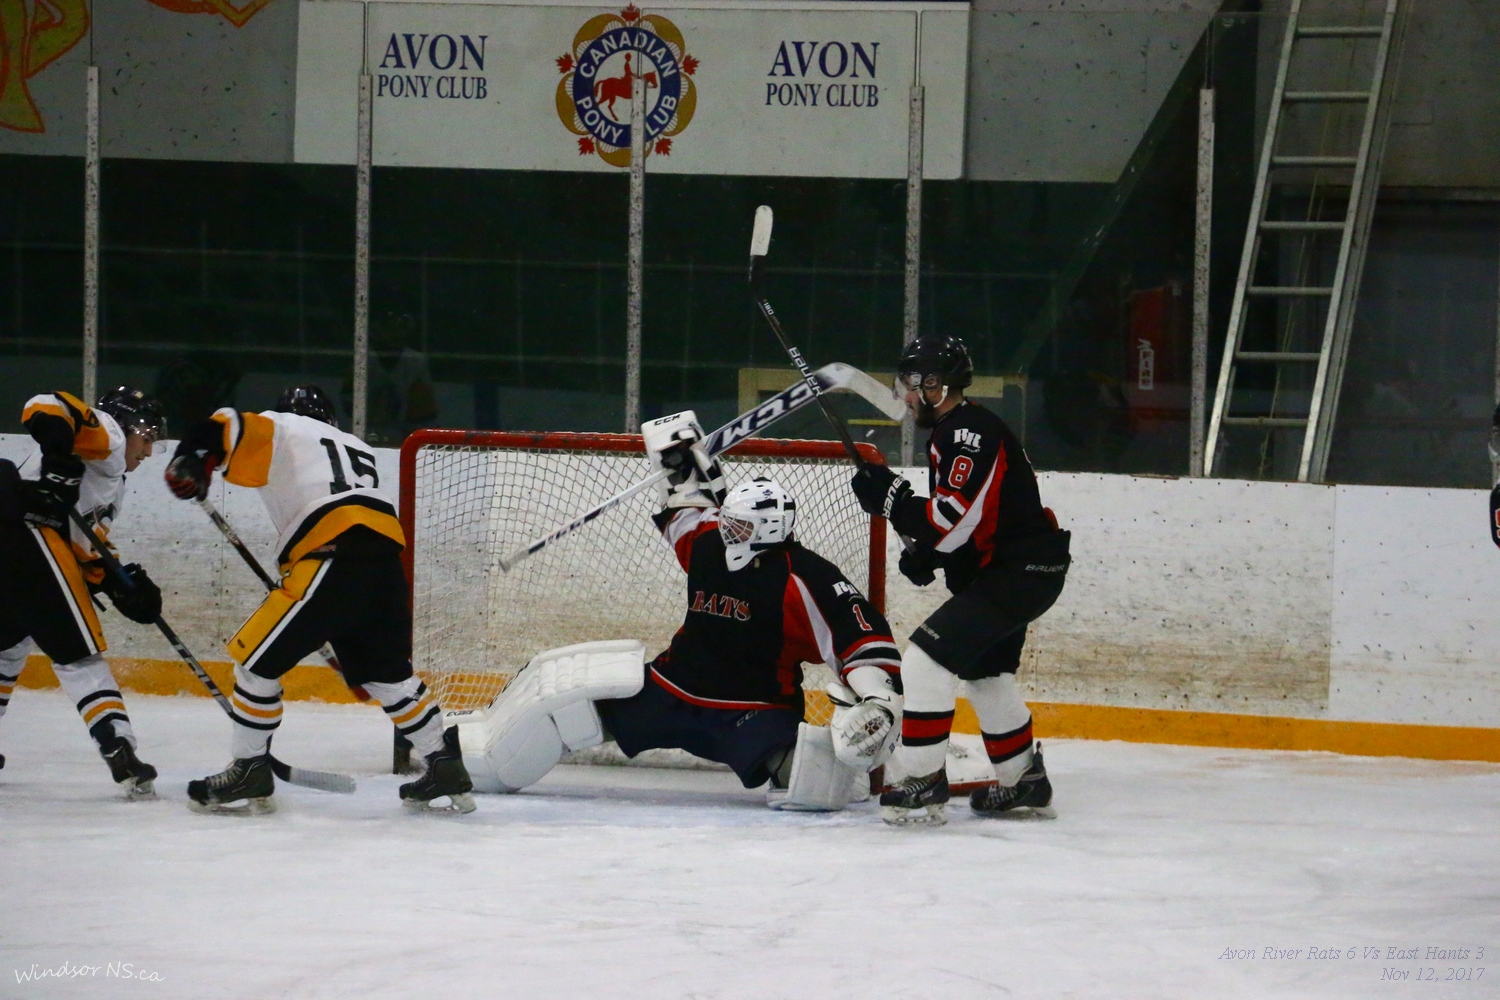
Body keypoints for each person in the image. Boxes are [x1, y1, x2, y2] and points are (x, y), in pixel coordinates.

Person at [457, 411, 904, 811]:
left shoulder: (807, 578)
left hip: (751, 711)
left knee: (817, 785)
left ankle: (832, 775)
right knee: (568, 711)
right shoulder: (712, 543)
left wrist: (877, 699)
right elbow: (685, 507)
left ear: (768, 529)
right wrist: (680, 462)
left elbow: (864, 642)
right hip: (671, 690)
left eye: (739, 525)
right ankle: (469, 755)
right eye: (727, 519)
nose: (727, 529)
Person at [164, 384, 474, 815]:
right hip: (385, 562)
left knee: (255, 662)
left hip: (330, 557)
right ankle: (443, 763)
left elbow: (224, 424)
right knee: (387, 675)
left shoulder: (283, 425)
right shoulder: (356, 445)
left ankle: (249, 767)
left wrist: (193, 457)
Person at [851, 335, 1072, 826]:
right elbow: (970, 524)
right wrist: (930, 553)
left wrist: (894, 501)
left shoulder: (965, 433)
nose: (907, 396)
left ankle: (923, 780)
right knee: (987, 676)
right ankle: (1024, 781)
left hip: (1017, 572)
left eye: (913, 384)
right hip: (1023, 569)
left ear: (936, 385)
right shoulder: (957, 430)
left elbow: (950, 523)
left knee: (924, 662)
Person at [0, 387, 167, 796]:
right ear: (123, 426)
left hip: (14, 545)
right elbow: (45, 404)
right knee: (79, 657)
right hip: (27, 535)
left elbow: (82, 546)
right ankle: (118, 745)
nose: (148, 451)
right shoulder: (109, 437)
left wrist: (118, 582)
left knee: (8, 647)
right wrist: (58, 459)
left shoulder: (112, 481)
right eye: (146, 438)